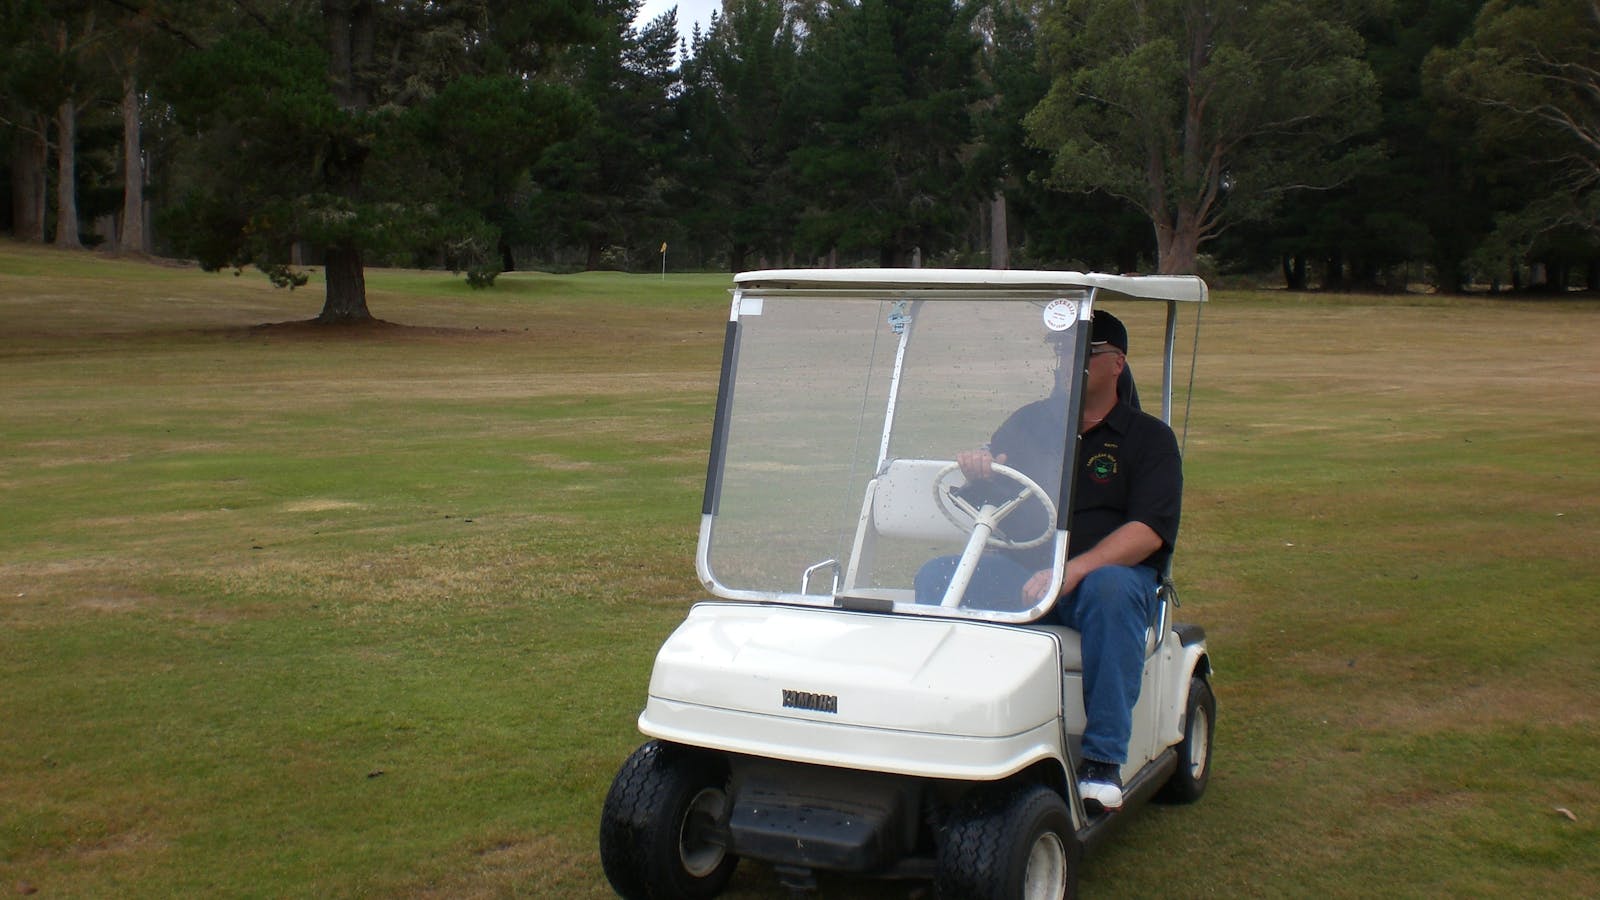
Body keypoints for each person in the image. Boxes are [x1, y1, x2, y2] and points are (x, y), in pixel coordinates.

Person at [913, 309, 1182, 812]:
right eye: (1061, 350)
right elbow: (996, 487)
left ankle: (1102, 761)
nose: (1067, 361)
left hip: (1100, 582)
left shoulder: (1149, 440)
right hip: (1024, 573)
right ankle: (951, 727)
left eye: (1084, 351)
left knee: (1113, 590)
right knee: (937, 577)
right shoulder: (1029, 421)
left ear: (1116, 363)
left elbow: (1147, 531)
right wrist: (978, 470)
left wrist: (1072, 572)